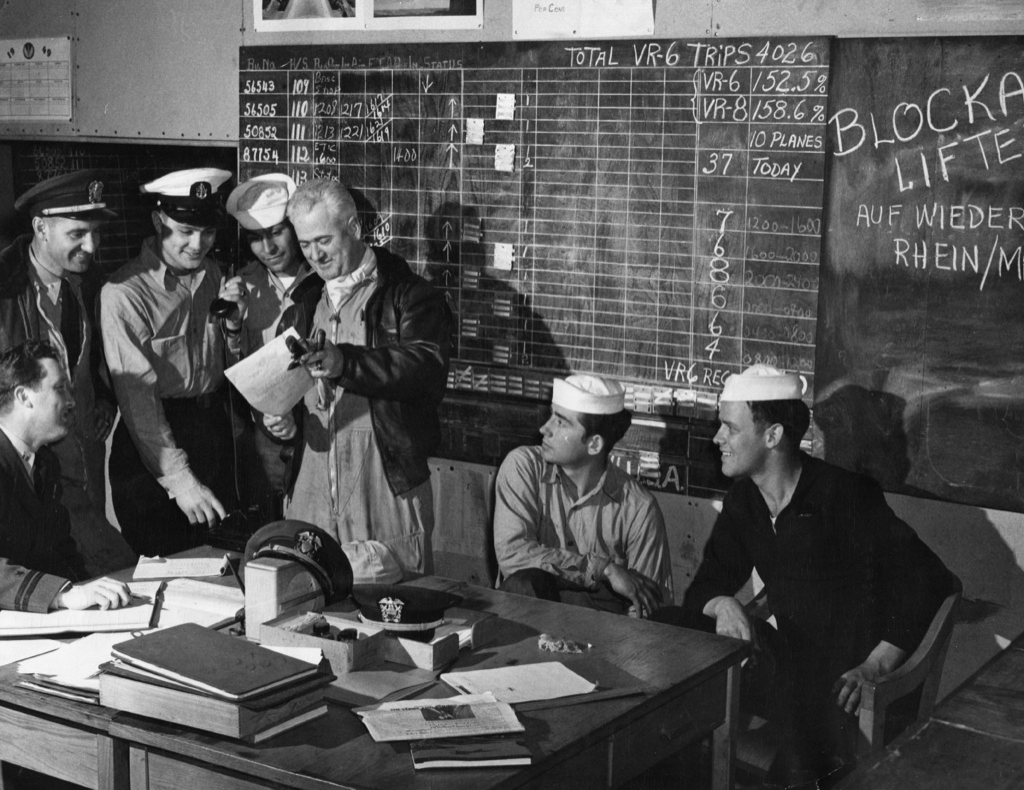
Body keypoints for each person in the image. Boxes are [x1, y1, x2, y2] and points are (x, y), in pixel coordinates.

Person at [681, 365, 955, 786]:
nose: (717, 438)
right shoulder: (744, 501)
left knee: (794, 766)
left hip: (848, 690)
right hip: (792, 675)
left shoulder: (845, 495)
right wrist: (724, 604)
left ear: (772, 436)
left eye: (730, 428)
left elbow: (931, 580)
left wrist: (874, 666)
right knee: (673, 628)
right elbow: (703, 587)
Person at [273, 178, 451, 581]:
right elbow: (286, 389)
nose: (315, 255)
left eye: (324, 240)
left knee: (392, 606)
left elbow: (425, 367)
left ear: (353, 228)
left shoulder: (410, 296)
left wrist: (346, 364)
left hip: (384, 493)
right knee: (305, 603)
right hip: (310, 496)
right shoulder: (302, 304)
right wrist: (280, 421)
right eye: (305, 244)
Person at [100, 168, 244, 557]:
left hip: (212, 433)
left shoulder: (214, 274)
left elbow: (226, 366)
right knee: (165, 570)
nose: (198, 244)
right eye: (185, 231)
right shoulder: (123, 293)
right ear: (157, 220)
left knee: (219, 565)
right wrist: (181, 482)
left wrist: (234, 327)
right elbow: (138, 400)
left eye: (208, 232)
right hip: (154, 449)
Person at [0, 169, 135, 578]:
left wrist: (105, 398)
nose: (90, 246)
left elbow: (101, 355)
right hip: (24, 473)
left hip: (83, 462)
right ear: (41, 228)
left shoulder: (90, 282)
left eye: (95, 233)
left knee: (101, 575)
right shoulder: (4, 288)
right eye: (77, 233)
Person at [493, 373, 674, 617]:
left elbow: (649, 602)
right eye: (551, 416)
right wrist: (603, 569)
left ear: (594, 444)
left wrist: (638, 612)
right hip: (528, 629)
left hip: (603, 635)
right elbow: (514, 555)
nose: (544, 429)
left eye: (560, 422)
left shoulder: (639, 509)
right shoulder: (523, 467)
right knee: (524, 583)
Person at [0, 340, 132, 612]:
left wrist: (92, 593)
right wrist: (62, 595)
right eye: (59, 388)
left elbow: (59, 552)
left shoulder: (45, 463)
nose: (71, 401)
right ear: (24, 397)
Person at [224, 173, 321, 521]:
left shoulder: (326, 279)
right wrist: (233, 326)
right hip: (265, 445)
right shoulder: (242, 286)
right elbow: (231, 372)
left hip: (318, 437)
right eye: (255, 238)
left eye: (277, 232)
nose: (268, 249)